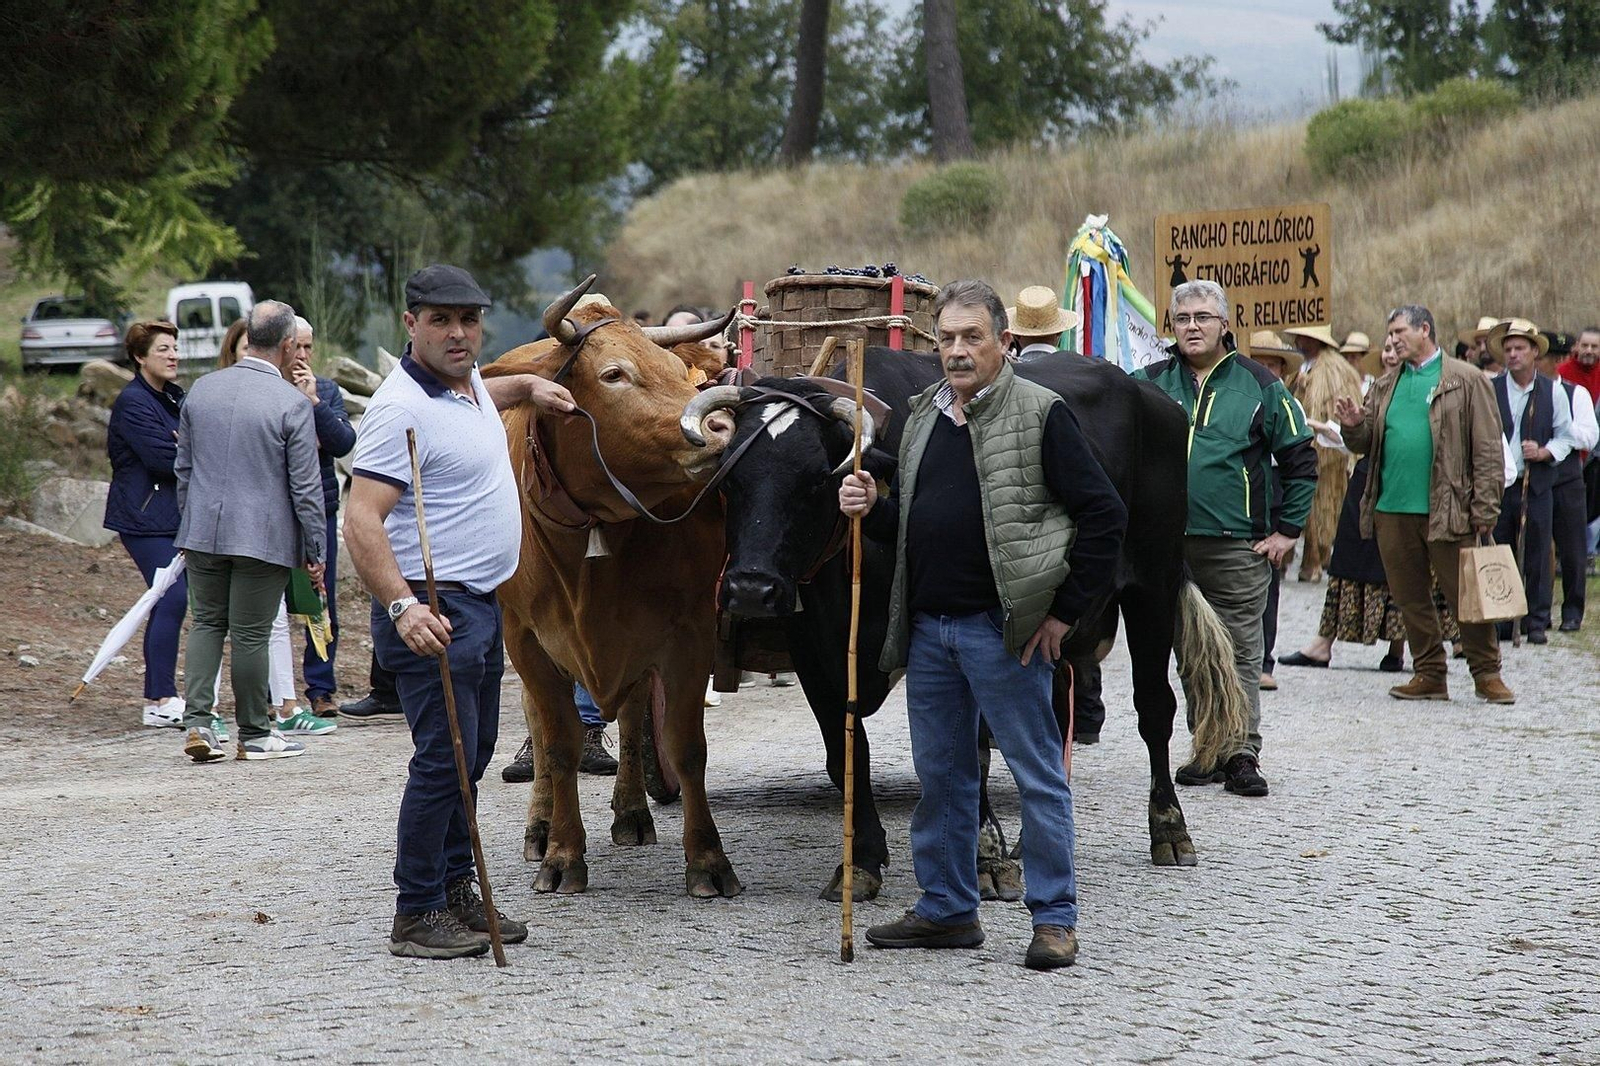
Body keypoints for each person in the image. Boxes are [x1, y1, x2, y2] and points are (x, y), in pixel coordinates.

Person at [840, 279, 1127, 971]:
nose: (958, 351)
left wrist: (1063, 612)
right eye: (946, 338)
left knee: (1036, 778)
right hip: (932, 633)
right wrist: (869, 505)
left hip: (1005, 630)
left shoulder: (1041, 413)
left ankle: (1055, 919)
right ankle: (947, 909)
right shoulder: (923, 418)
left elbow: (1104, 514)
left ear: (1004, 341)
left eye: (973, 337)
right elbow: (909, 523)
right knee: (941, 777)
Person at [345, 264, 574, 959]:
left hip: (477, 604)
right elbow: (361, 518)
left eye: (469, 320)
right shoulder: (398, 411)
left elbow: (485, 388)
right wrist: (402, 607)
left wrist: (528, 385)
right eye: (441, 320)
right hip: (432, 608)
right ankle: (415, 913)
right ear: (410, 324)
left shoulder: (462, 384)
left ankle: (453, 896)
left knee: (468, 756)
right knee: (443, 762)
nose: (457, 333)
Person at [1137, 284, 1315, 797]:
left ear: (1225, 325)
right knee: (1192, 650)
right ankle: (1209, 748)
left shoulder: (1259, 385)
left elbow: (1302, 459)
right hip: (1168, 547)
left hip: (1237, 545)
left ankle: (1242, 754)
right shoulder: (1148, 384)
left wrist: (1287, 530)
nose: (1192, 326)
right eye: (1182, 317)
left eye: (1203, 317)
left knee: (1239, 650)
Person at [1333, 305, 1513, 703]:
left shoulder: (1466, 379)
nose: (1392, 339)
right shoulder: (1384, 384)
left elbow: (1487, 448)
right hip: (1392, 509)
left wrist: (1485, 508)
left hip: (1448, 509)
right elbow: (1366, 445)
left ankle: (1487, 674)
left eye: (1399, 331)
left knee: (1466, 596)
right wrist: (1352, 426)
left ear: (1425, 330)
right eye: (1389, 331)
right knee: (1410, 598)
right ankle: (1430, 673)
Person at [175, 301, 327, 762]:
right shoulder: (292, 403)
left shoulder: (200, 391)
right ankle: (256, 734)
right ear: (286, 345)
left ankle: (199, 724)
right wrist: (314, 547)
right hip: (263, 537)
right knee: (251, 634)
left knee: (205, 624)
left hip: (201, 530)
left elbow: (183, 469)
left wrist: (190, 520)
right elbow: (305, 485)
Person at [1286, 336, 1460, 672]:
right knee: (1350, 560)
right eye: (1388, 351)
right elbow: (1362, 441)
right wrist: (1347, 427)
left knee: (1407, 564)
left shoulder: (1436, 388)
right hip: (1369, 482)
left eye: (1399, 349)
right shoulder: (1377, 390)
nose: (1392, 355)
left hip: (1412, 484)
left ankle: (1399, 648)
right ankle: (1323, 644)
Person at [1005, 285, 1105, 736]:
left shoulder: (1004, 384)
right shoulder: (1089, 374)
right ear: (1061, 336)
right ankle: (1085, 712)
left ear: (1014, 337)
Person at [104, 321, 189, 729]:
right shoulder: (133, 403)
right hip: (143, 518)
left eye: (175, 348)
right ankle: (159, 699)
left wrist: (181, 443)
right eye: (163, 349)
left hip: (173, 517)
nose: (173, 355)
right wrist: (180, 447)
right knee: (170, 597)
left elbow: (186, 445)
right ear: (140, 357)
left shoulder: (173, 397)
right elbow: (164, 459)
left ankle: (166, 694)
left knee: (171, 598)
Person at [1489, 319, 1579, 645]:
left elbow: (1566, 436)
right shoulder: (1492, 388)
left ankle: (1537, 620)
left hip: (1537, 483)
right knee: (1500, 551)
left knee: (1539, 552)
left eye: (1519, 349)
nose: (1513, 354)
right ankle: (1501, 619)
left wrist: (1543, 452)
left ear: (1534, 353)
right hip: (1500, 485)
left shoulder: (1552, 391)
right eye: (1508, 349)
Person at [287, 316, 356, 715]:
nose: (302, 355)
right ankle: (273, 690)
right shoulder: (266, 390)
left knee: (319, 597)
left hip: (321, 508)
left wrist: (313, 403)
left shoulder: (326, 389)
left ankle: (321, 687)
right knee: (273, 602)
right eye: (296, 346)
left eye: (308, 347)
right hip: (275, 512)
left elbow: (343, 441)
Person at [1243, 332, 1305, 692]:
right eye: (1260, 364)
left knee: (1269, 583)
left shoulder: (1289, 406)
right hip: (1241, 498)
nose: (1265, 371)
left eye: (1272, 365)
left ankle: (1265, 661)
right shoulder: (1236, 401)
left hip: (1273, 501)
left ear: (1283, 370)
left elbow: (1298, 461)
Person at [1282, 325, 1364, 583]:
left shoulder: (1334, 370)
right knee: (1305, 508)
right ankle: (1307, 559)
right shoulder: (1302, 368)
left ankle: (1315, 559)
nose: (1297, 341)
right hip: (1303, 451)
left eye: (1303, 337)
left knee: (1322, 508)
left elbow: (1331, 410)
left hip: (1325, 453)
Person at [1538, 338, 1598, 631]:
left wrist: (1561, 426)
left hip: (1567, 476)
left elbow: (1589, 436)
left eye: (1547, 357)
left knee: (1573, 548)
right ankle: (1537, 611)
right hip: (1536, 473)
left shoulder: (1577, 394)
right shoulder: (1530, 392)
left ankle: (1572, 611)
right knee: (1535, 546)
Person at [1555, 327, 1600, 567]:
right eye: (1585, 345)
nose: (1589, 351)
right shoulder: (1562, 375)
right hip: (1569, 456)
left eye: (1594, 346)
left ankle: (1589, 552)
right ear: (1576, 347)